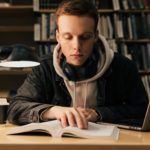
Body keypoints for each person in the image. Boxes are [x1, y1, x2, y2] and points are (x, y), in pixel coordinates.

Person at [7, 0, 148, 129]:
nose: (77, 46)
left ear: (95, 36)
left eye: (85, 37)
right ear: (58, 37)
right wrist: (53, 111)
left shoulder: (123, 66)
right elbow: (15, 109)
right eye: (68, 37)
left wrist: (98, 113)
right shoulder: (45, 67)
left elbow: (142, 111)